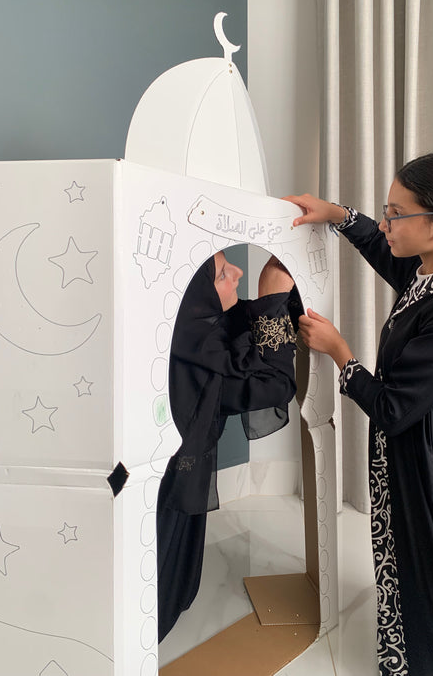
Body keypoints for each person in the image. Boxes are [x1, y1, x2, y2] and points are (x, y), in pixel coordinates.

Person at [286, 150, 433, 676]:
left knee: (432, 581)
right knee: (410, 572)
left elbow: (393, 410)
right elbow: (382, 247)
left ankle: (424, 659)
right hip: (422, 459)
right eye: (385, 210)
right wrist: (336, 213)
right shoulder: (430, 275)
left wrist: (339, 351)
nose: (385, 224)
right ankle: (417, 649)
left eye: (397, 214)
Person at [157, 250, 301, 643]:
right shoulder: (200, 358)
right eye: (223, 273)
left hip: (178, 471)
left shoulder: (189, 329)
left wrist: (276, 298)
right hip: (170, 484)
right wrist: (272, 300)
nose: (237, 271)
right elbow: (274, 385)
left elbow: (243, 328)